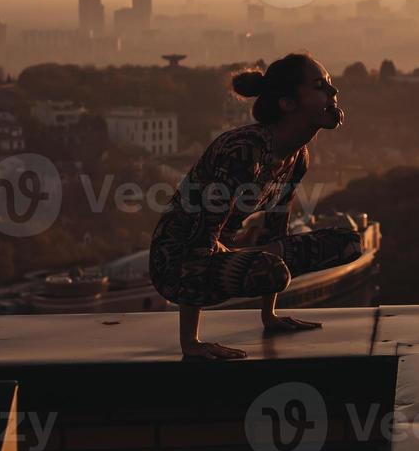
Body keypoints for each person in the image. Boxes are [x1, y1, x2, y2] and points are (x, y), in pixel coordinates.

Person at [148, 53, 363, 359]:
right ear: (287, 104)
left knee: (348, 244)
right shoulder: (244, 151)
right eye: (320, 87)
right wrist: (190, 343)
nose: (333, 93)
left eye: (330, 85)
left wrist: (269, 316)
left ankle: (268, 309)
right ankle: (193, 336)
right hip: (178, 264)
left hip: (224, 253)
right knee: (271, 270)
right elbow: (200, 239)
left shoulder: (297, 156)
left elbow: (275, 233)